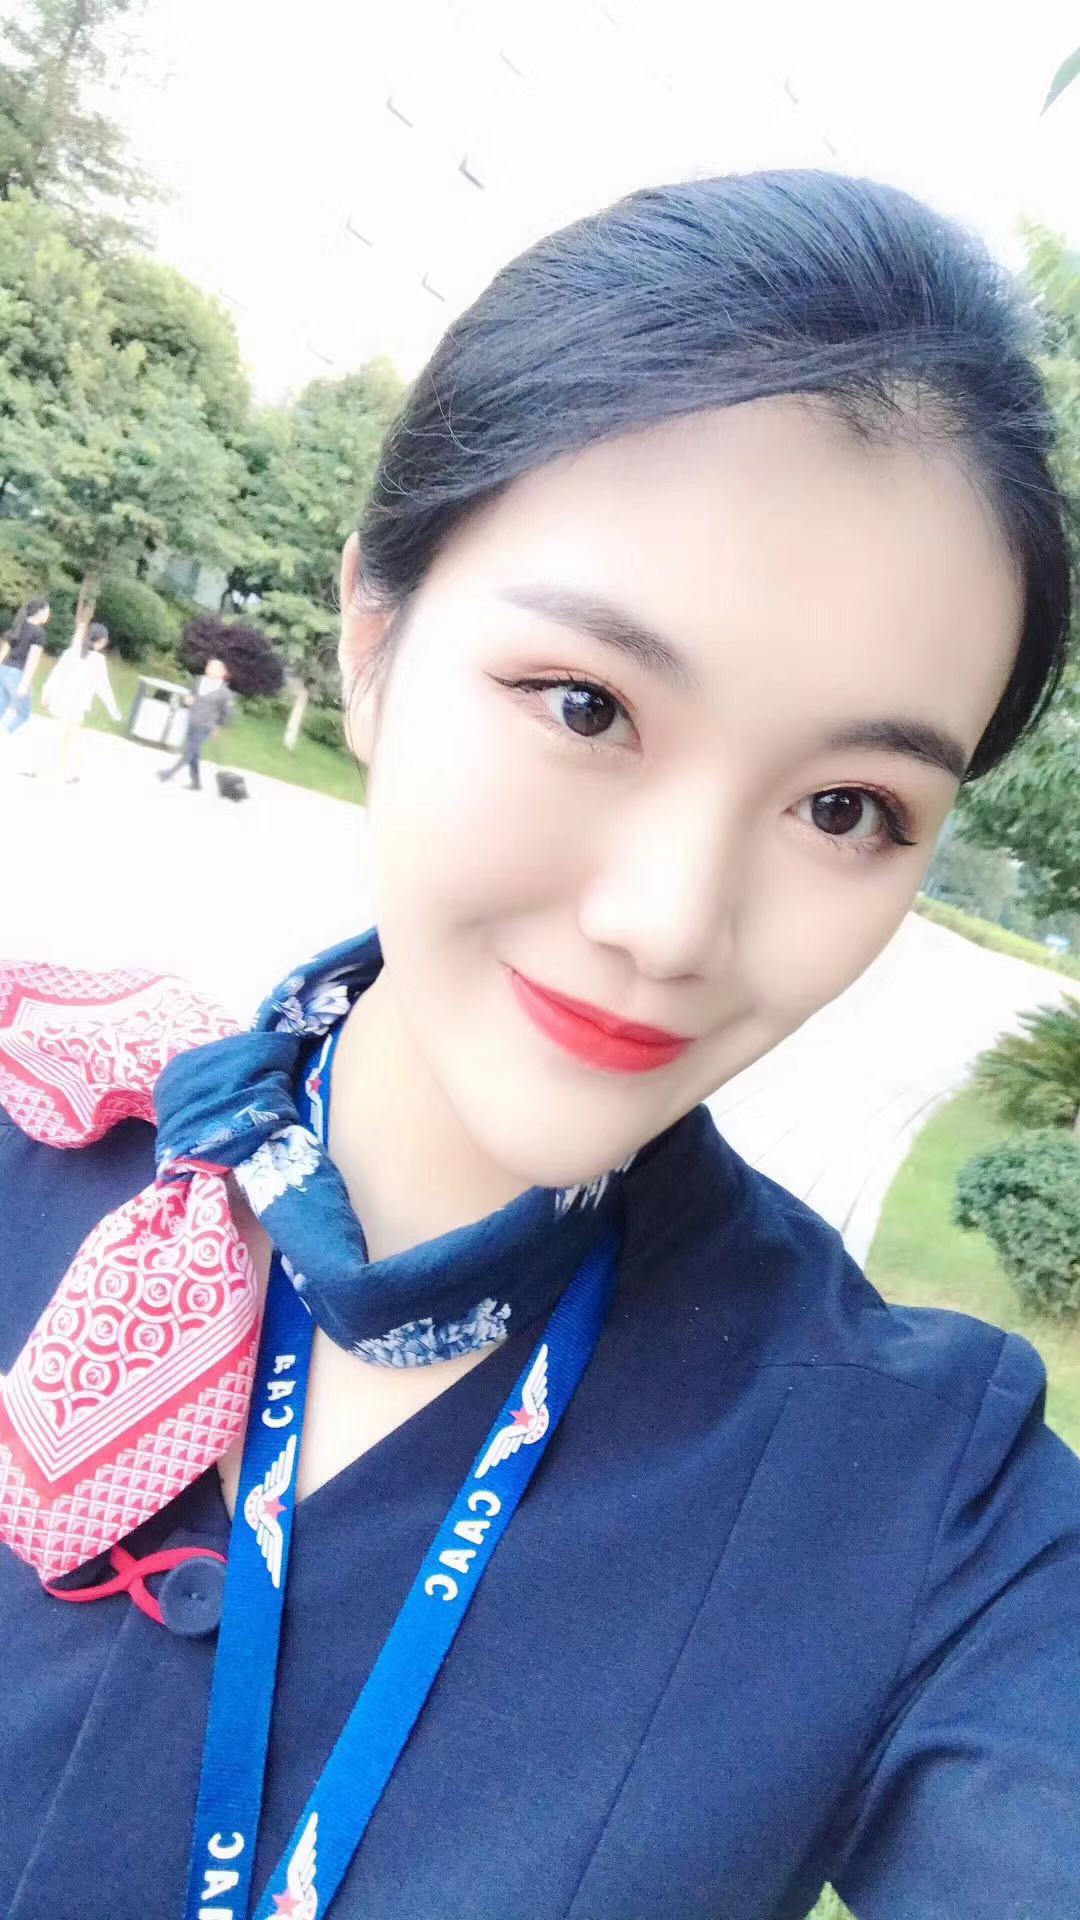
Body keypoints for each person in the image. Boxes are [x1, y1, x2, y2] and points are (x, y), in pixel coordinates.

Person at [0, 171, 1078, 1920]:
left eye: (847, 808)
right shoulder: (32, 1126)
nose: (672, 921)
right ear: (373, 638)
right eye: (589, 706)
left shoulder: (925, 1511)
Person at [33, 620, 121, 781]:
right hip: (76, 704)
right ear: (101, 641)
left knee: (62, 735)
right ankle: (54, 770)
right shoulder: (97, 661)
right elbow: (103, 688)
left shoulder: (72, 652)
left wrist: (46, 693)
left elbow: (56, 674)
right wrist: (114, 711)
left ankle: (55, 770)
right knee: (67, 738)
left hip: (61, 700)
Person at [157, 654, 234, 789]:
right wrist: (187, 700)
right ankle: (196, 782)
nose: (209, 669)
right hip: (192, 721)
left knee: (189, 751)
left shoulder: (225, 693)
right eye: (209, 666)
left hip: (206, 725)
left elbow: (227, 713)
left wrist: (218, 726)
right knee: (194, 753)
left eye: (214, 668)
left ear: (222, 673)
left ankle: (169, 773)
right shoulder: (199, 681)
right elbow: (190, 696)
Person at [0, 595, 51, 740]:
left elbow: (3, 651)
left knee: (2, 705)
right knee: (23, 713)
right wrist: (25, 683)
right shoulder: (39, 633)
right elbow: (32, 660)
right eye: (47, 612)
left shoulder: (17, 626)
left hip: (4, 670)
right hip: (18, 673)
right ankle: (6, 734)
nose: (48, 615)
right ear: (39, 612)